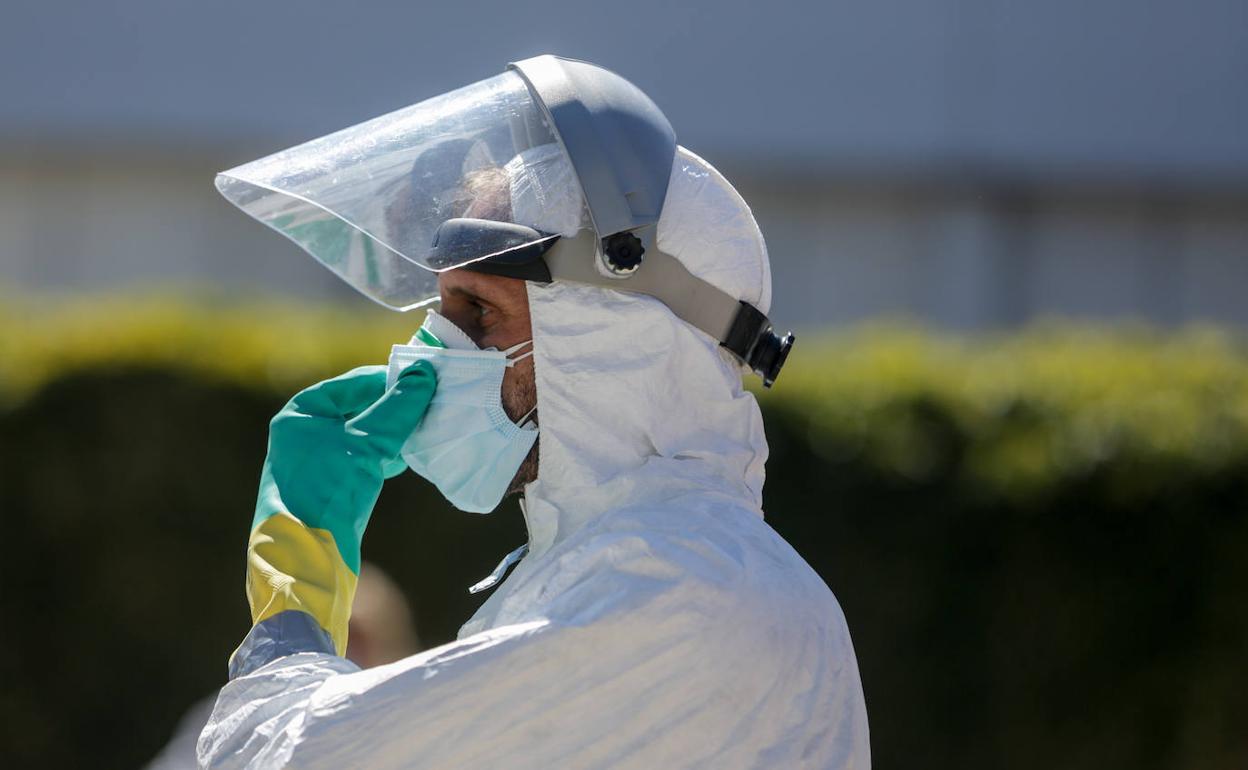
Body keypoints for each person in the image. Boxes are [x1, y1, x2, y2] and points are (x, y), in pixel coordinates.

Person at [200, 55, 870, 768]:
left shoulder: (679, 582)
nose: (433, 349)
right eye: (441, 308)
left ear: (615, 339)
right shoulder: (632, 562)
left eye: (478, 310)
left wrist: (290, 626)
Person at [147, 563, 419, 770]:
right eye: (329, 634)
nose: (344, 652)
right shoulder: (239, 710)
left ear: (389, 644)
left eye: (356, 637)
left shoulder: (412, 726)